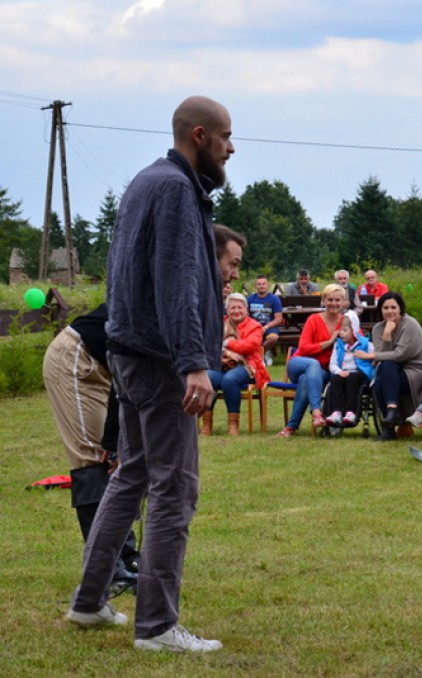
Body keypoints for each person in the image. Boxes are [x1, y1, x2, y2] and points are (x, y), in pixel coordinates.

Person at [65, 95, 235, 653]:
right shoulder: (176, 190)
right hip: (159, 362)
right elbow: (176, 282)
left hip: (127, 353)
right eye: (227, 138)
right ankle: (158, 626)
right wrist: (192, 363)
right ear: (200, 135)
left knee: (131, 475)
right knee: (174, 489)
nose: (231, 149)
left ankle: (89, 602)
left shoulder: (147, 181)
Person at [43, 303, 140, 592]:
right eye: (231, 264)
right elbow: (126, 380)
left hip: (106, 368)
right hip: (76, 358)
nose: (234, 276)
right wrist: (113, 443)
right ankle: (107, 571)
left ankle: (127, 557)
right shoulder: (157, 296)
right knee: (93, 461)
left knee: (115, 463)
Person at [356, 291, 422, 441]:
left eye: (393, 308)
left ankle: (389, 425)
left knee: (385, 369)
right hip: (390, 372)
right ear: (380, 310)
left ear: (400, 309)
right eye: (385, 308)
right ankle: (391, 415)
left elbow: (400, 355)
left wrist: (372, 355)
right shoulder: (378, 328)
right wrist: (387, 335)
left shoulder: (410, 324)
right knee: (380, 380)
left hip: (413, 371)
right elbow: (384, 357)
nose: (389, 311)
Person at [278, 284, 347, 437]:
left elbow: (357, 342)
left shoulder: (346, 322)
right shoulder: (313, 319)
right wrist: (329, 342)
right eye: (330, 300)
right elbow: (304, 348)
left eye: (337, 300)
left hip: (325, 370)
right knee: (312, 365)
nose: (334, 303)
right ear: (323, 301)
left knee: (306, 380)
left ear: (343, 302)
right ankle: (316, 411)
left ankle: (290, 427)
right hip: (300, 362)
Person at [204, 292, 269, 436]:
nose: (236, 311)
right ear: (227, 310)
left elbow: (250, 346)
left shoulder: (255, 326)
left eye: (240, 308)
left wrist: (226, 344)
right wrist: (227, 353)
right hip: (221, 364)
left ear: (246, 310)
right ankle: (207, 423)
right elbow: (209, 344)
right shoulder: (220, 323)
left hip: (248, 366)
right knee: (208, 377)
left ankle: (233, 424)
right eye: (232, 308)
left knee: (229, 379)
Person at [324, 315, 374, 428]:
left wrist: (369, 358)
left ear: (354, 330)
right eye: (340, 330)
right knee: (335, 378)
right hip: (343, 373)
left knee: (352, 378)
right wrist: (338, 371)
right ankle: (336, 412)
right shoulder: (338, 345)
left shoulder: (365, 344)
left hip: (360, 373)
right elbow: (332, 364)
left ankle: (350, 412)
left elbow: (375, 356)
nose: (341, 333)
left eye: (345, 330)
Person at [247, 274, 283, 364]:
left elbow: (279, 319)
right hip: (253, 326)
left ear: (268, 285)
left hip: (269, 326)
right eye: (259, 284)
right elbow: (246, 317)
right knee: (249, 338)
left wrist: (266, 327)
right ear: (256, 286)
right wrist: (254, 326)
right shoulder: (249, 299)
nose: (261, 286)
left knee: (273, 338)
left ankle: (263, 353)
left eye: (263, 283)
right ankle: (258, 355)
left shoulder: (274, 299)